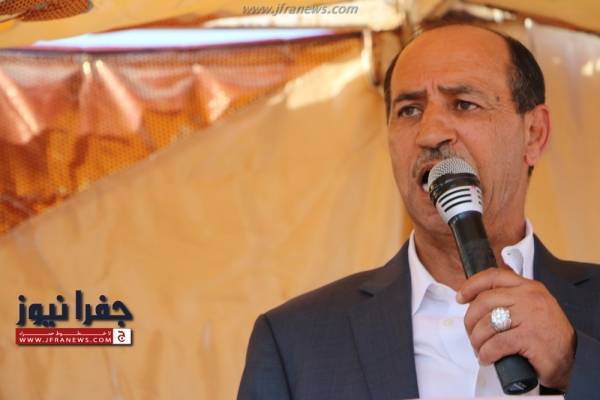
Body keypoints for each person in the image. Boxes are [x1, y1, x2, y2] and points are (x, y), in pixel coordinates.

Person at [237, 23, 600, 399]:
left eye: (464, 104)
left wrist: (575, 362)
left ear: (534, 133)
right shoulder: (294, 343)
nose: (430, 134)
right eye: (409, 110)